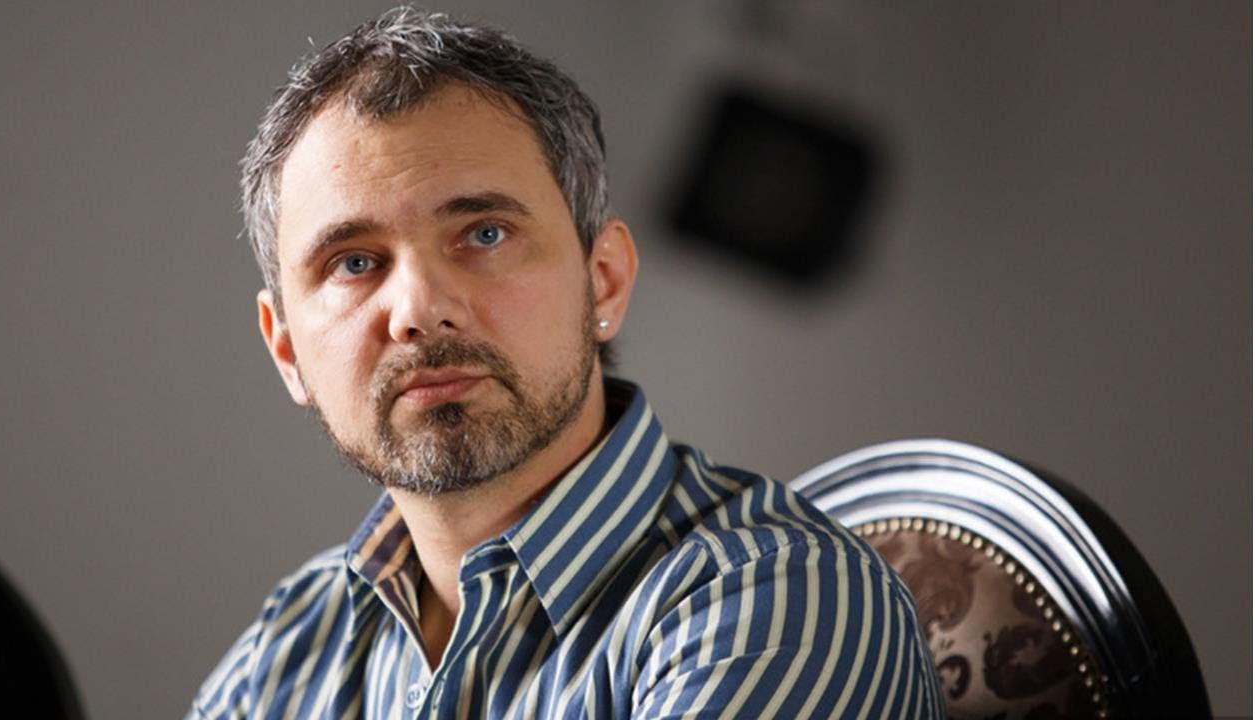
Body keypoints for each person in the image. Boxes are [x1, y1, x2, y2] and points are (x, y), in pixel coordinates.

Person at [189, 6, 944, 718]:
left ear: (604, 280)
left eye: (484, 234)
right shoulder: (285, 652)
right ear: (286, 350)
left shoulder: (778, 602)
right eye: (354, 263)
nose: (418, 308)